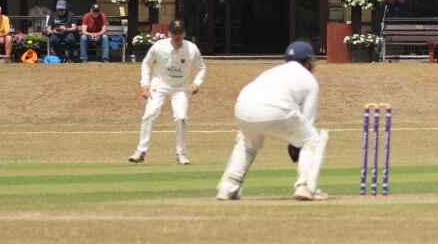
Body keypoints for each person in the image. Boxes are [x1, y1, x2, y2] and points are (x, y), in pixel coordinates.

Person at [216, 41, 329, 201]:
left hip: (243, 107)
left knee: (247, 144)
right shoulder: (309, 80)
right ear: (309, 62)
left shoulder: (272, 72)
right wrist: (297, 144)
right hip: (276, 109)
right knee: (314, 140)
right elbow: (307, 121)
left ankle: (227, 186)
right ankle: (305, 186)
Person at [129, 21, 207, 166]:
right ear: (169, 33)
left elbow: (202, 67)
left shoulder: (192, 49)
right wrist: (144, 84)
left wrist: (197, 83)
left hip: (181, 87)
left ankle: (181, 154)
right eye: (174, 33)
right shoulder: (159, 46)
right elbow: (146, 63)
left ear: (184, 33)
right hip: (159, 84)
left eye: (180, 33)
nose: (177, 36)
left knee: (181, 117)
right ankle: (140, 151)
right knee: (149, 114)